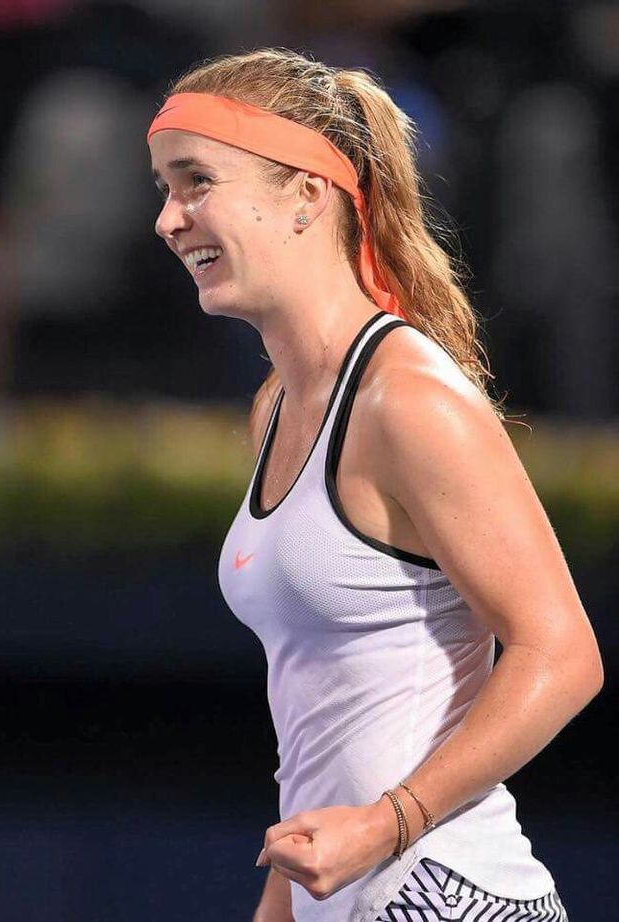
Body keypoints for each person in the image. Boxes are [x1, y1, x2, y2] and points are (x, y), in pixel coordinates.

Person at [146, 48, 603, 922]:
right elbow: (322, 720)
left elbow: (563, 653)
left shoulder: (410, 400)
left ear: (307, 195)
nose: (170, 219)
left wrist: (388, 824)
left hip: (450, 894)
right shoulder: (280, 405)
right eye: (165, 188)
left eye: (195, 180)